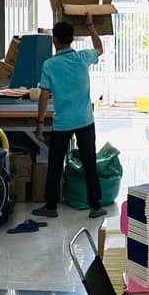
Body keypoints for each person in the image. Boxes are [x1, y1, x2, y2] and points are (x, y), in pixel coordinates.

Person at [33, 14, 106, 219]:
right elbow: (99, 48)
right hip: (84, 120)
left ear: (55, 40)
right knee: (89, 162)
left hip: (62, 123)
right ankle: (95, 206)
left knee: (55, 164)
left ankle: (50, 207)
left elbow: (44, 96)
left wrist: (40, 123)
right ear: (72, 39)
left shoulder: (49, 65)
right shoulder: (83, 58)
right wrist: (90, 25)